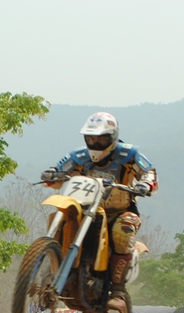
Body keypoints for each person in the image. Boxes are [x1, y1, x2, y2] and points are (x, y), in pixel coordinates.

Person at [40, 112, 158, 301]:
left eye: (101, 139)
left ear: (112, 137)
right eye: (91, 138)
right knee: (64, 217)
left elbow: (148, 171)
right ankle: (51, 266)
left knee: (123, 231)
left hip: (120, 211)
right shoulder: (79, 156)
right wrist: (52, 174)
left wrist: (145, 184)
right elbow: (60, 170)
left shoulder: (128, 154)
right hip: (86, 208)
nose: (95, 143)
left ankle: (117, 290)